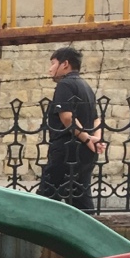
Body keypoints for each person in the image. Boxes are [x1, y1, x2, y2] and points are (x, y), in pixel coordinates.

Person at [37, 46, 103, 212]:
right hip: (85, 152)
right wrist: (95, 139)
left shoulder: (65, 85)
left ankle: (39, 228)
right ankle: (89, 228)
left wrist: (88, 139)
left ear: (65, 64)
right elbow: (96, 119)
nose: (50, 69)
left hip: (67, 151)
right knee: (80, 200)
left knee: (46, 199)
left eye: (53, 63)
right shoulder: (85, 86)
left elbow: (67, 117)